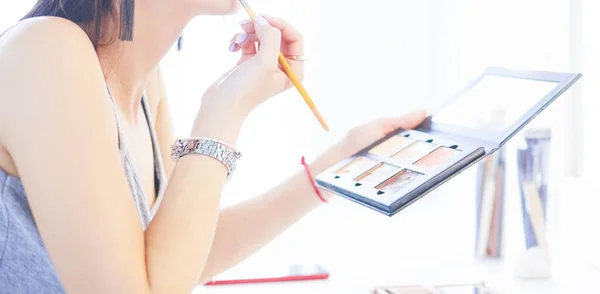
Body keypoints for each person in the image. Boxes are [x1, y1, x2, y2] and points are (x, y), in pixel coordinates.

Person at [0, 0, 425, 293]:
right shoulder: (46, 50)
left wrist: (336, 164)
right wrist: (223, 108)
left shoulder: (146, 81)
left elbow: (174, 260)